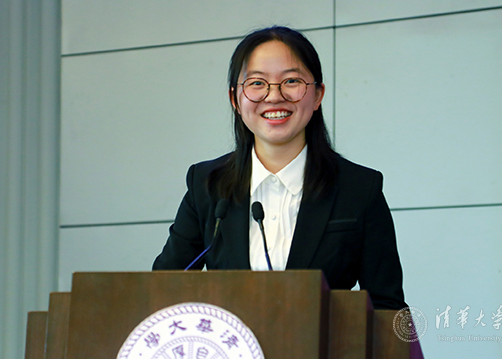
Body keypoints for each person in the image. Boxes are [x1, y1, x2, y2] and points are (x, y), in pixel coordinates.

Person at [153, 26, 406, 310]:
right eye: (257, 83)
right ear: (235, 99)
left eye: (291, 81)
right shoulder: (206, 184)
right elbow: (162, 290)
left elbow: (388, 307)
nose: (274, 96)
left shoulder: (359, 188)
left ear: (318, 95)